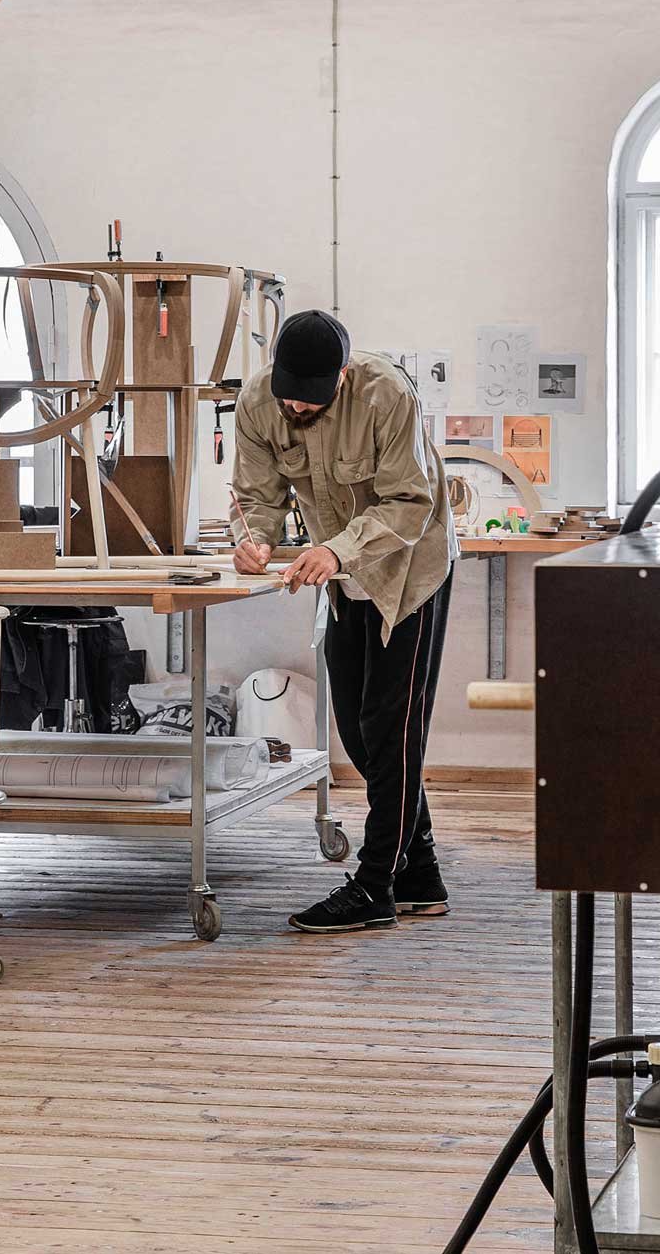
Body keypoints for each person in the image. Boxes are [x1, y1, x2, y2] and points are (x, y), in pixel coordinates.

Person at [232, 310, 456, 933]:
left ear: (343, 376)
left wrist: (337, 551)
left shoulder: (386, 394)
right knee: (360, 731)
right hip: (338, 571)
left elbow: (411, 502)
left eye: (312, 399)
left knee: (392, 728)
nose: (297, 409)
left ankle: (375, 884)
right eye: (289, 397)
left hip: (408, 569)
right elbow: (256, 498)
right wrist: (253, 541)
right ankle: (421, 872)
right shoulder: (257, 402)